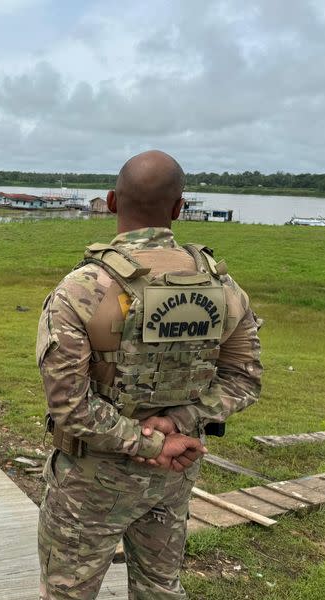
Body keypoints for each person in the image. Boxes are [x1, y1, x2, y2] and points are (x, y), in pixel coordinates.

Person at [36, 150, 263, 599]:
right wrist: (177, 423)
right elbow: (244, 379)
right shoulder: (223, 288)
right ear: (179, 208)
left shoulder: (83, 289)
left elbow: (69, 406)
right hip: (172, 479)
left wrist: (150, 442)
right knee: (160, 589)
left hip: (90, 483)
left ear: (111, 201)